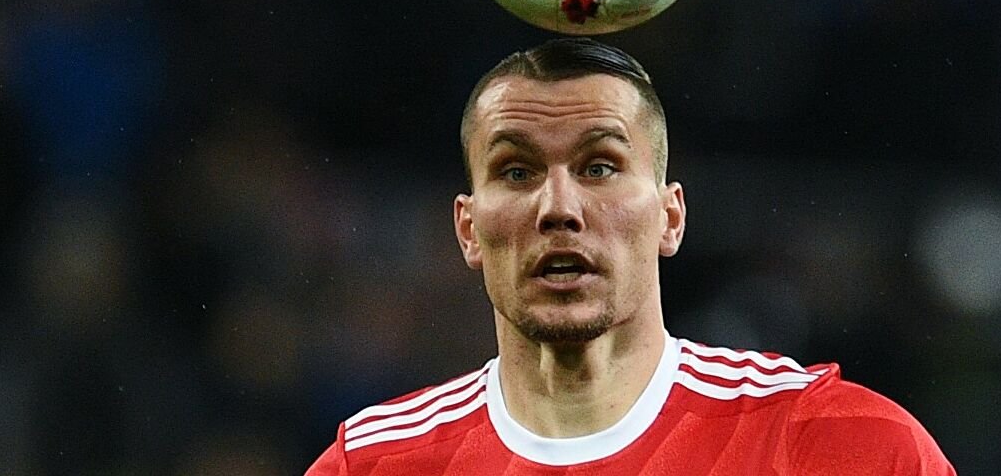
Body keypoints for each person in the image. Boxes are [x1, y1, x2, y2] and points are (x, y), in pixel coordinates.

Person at [306, 37, 955, 474]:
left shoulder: (838, 447)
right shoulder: (372, 465)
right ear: (469, 229)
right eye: (516, 171)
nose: (559, 208)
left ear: (670, 218)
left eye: (599, 166)